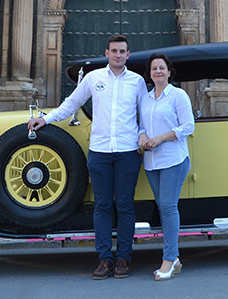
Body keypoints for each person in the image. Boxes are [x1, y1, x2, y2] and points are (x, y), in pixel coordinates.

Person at [27, 34, 145, 280]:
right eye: (114, 51)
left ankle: (123, 258)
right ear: (107, 53)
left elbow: (143, 115)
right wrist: (45, 119)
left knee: (124, 205)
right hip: (100, 152)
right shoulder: (93, 78)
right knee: (101, 206)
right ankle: (104, 259)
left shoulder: (137, 81)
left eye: (122, 51)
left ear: (128, 55)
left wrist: (144, 136)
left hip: (127, 152)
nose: (118, 55)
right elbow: (71, 104)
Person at [138, 53, 195, 281]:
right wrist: (142, 137)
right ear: (150, 74)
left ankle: (169, 260)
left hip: (173, 159)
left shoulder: (178, 95)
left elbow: (188, 126)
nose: (158, 72)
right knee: (163, 208)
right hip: (151, 162)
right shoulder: (146, 98)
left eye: (162, 68)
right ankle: (176, 258)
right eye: (154, 69)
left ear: (169, 71)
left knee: (169, 207)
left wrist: (161, 138)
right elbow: (141, 125)